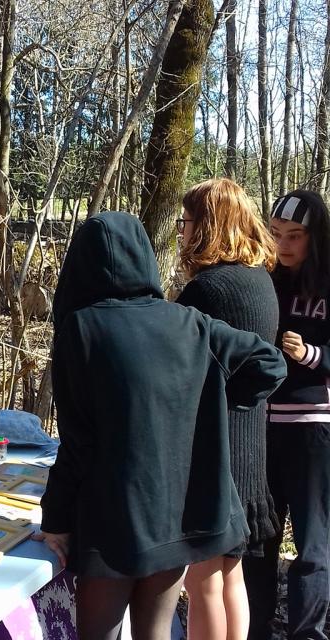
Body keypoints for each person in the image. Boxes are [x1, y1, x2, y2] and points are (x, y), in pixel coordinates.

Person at [37, 211, 286, 640]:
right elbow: (270, 364)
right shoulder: (188, 321)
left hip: (111, 520)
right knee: (154, 633)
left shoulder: (82, 329)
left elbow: (78, 444)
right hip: (176, 515)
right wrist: (198, 408)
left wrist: (55, 518)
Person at [174, 178, 280, 640]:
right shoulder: (261, 282)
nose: (181, 231)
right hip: (250, 446)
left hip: (214, 453)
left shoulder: (206, 291)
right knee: (231, 575)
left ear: (206, 226)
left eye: (187, 221)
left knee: (202, 581)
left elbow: (179, 373)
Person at [244, 189, 330, 640]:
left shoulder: (327, 281)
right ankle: (256, 627)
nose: (284, 245)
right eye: (276, 234)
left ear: (316, 238)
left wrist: (312, 354)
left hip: (314, 428)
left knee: (314, 545)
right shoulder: (263, 280)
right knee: (261, 539)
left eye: (295, 236)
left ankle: (307, 633)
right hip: (261, 427)